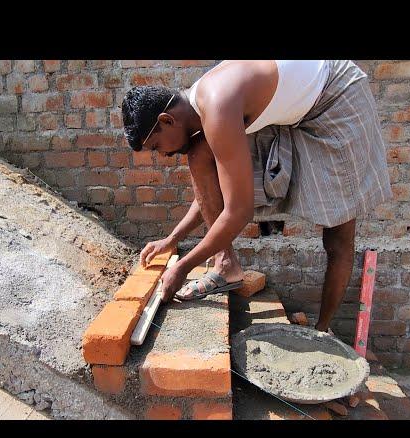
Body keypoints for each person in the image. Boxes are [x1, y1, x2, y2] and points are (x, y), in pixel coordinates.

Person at [121, 60, 392, 332]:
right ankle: (226, 265)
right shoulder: (199, 109)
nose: (163, 156)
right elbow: (213, 194)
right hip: (298, 109)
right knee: (199, 154)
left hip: (337, 96)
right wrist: (173, 239)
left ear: (166, 120)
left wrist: (182, 267)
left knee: (338, 234)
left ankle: (322, 329)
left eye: (156, 146)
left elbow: (238, 210)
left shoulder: (218, 105)